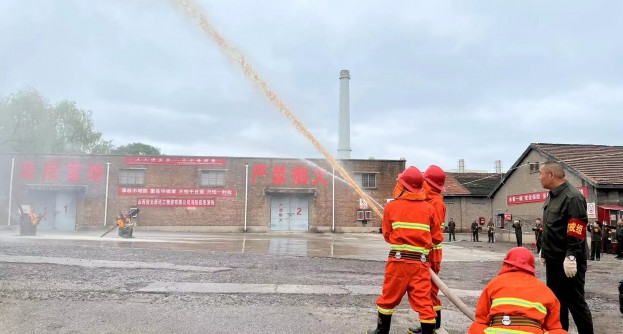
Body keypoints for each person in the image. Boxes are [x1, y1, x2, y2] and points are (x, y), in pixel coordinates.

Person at [366, 166, 443, 334]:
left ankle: (381, 330)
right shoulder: (429, 208)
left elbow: (387, 235)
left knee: (388, 297)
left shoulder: (391, 207)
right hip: (421, 265)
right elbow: (437, 237)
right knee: (424, 301)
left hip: (398, 262)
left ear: (403, 186)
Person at [538, 161, 593, 333]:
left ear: (552, 175)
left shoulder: (573, 197)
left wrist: (571, 256)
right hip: (553, 260)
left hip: (568, 262)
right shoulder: (552, 195)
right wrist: (544, 249)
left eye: (541, 174)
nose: (539, 177)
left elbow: (576, 230)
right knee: (556, 303)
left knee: (575, 303)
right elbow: (551, 226)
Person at [468, 247, 568, 334]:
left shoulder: (494, 283)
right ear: (532, 266)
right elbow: (554, 326)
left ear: (506, 264)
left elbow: (481, 318)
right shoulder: (545, 290)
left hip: (498, 329)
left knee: (475, 327)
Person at [407, 165, 447, 334]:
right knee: (428, 290)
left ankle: (432, 326)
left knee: (430, 290)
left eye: (424, 181)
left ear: (429, 184)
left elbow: (432, 232)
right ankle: (432, 325)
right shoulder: (429, 201)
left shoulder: (435, 203)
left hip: (431, 252)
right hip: (428, 252)